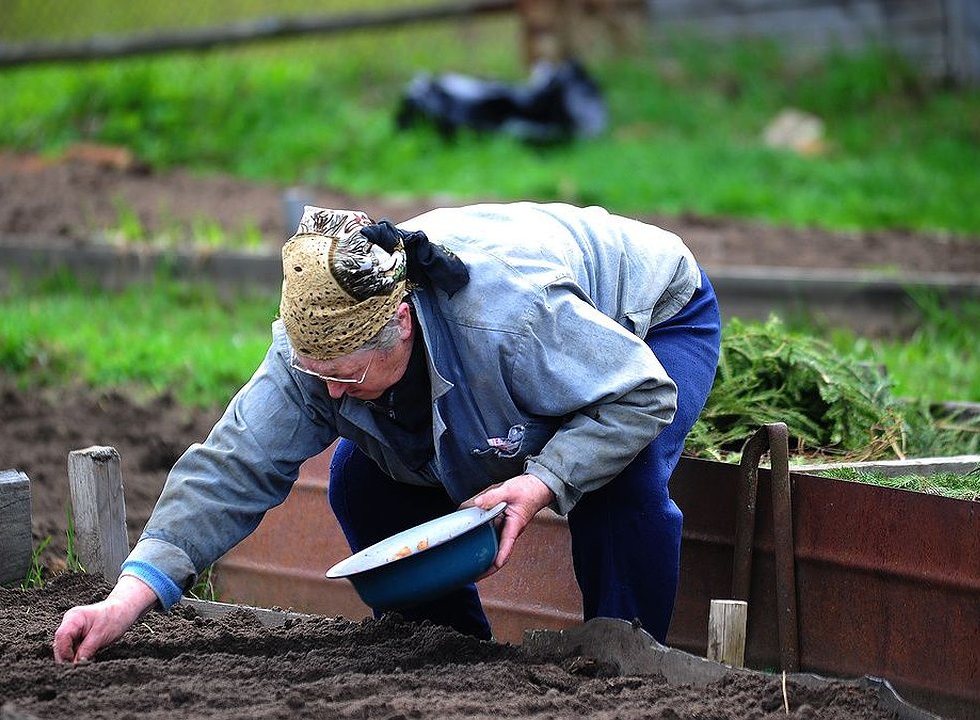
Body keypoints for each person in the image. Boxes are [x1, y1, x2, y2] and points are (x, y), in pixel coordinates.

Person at [53, 202, 721, 663]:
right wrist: (127, 597)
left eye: (346, 374)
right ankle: (451, 653)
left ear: (401, 323)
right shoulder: (316, 355)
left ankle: (621, 668)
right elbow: (233, 465)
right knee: (359, 479)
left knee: (620, 477)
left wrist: (544, 480)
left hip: (650, 314)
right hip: (525, 336)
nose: (330, 393)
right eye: (317, 375)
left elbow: (639, 394)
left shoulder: (509, 321)